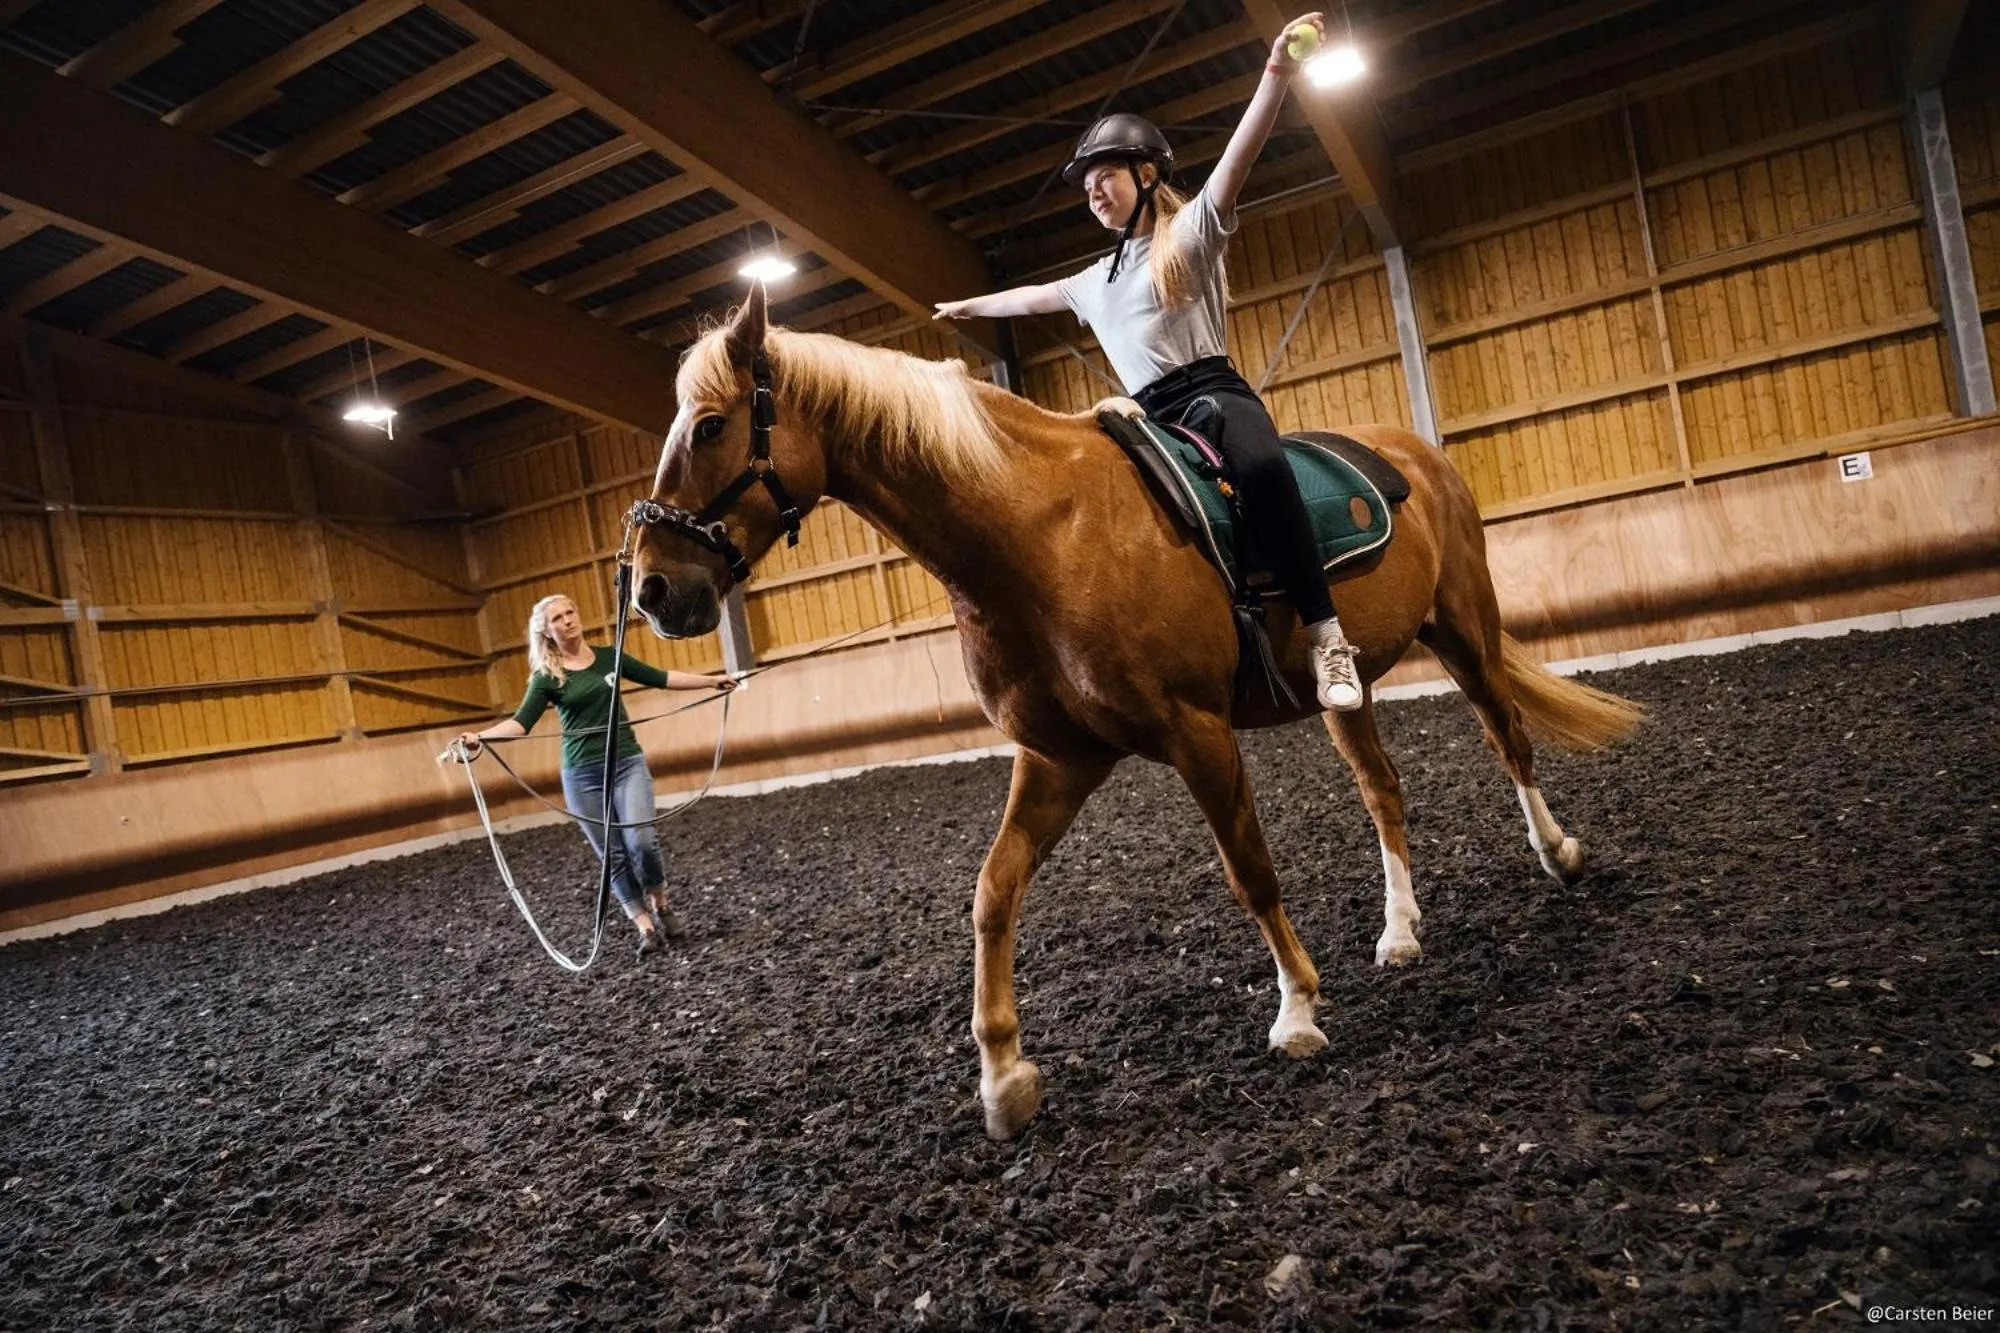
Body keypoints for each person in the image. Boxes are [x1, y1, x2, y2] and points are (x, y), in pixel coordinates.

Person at [934, 12, 1363, 713]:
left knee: (1260, 468)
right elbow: (1032, 297)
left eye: (1105, 177)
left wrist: (1276, 75)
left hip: (1213, 397)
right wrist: (969, 307)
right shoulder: (1092, 279)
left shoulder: (1189, 235)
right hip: (1148, 415)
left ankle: (1326, 634)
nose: (1093, 192)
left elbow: (1239, 160)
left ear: (1146, 173)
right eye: (1086, 187)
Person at [456, 593, 735, 956]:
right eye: (558, 618)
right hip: (582, 775)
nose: (568, 620)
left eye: (571, 612)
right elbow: (520, 724)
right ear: (546, 631)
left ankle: (661, 904)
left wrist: (711, 681)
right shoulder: (546, 677)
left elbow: (661, 677)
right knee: (613, 856)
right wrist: (479, 738)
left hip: (626, 764)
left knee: (642, 841)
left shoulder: (609, 657)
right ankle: (644, 926)